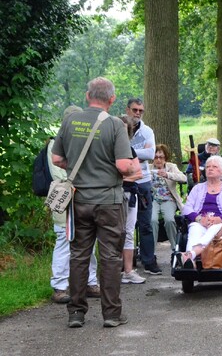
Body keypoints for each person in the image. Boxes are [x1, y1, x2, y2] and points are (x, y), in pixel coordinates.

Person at [52, 77, 139, 328]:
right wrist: (130, 168)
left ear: (87, 95)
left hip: (78, 199)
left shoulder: (70, 120)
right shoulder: (114, 125)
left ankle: (76, 313)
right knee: (110, 257)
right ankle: (111, 314)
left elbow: (57, 158)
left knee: (79, 255)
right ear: (111, 100)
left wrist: (83, 169)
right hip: (109, 202)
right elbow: (123, 165)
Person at [49, 105, 100, 303]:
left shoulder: (84, 143)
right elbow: (59, 174)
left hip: (85, 200)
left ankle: (90, 282)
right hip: (65, 201)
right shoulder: (55, 145)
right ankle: (60, 286)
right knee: (63, 241)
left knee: (89, 240)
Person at [176, 155, 222, 267]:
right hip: (200, 220)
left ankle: (189, 255)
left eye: (214, 166)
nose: (210, 169)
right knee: (194, 230)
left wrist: (220, 218)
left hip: (221, 223)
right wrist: (199, 219)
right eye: (207, 167)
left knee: (213, 231)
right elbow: (187, 207)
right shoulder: (197, 188)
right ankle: (190, 262)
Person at [125, 98, 161, 275]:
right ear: (127, 110)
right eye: (134, 110)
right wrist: (138, 154)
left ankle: (148, 260)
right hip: (124, 182)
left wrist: (127, 152)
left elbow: (150, 154)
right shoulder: (119, 127)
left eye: (141, 110)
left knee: (146, 223)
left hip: (144, 181)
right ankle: (125, 263)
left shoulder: (147, 131)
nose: (137, 113)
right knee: (124, 225)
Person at [118, 115, 146, 285]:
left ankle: (128, 271)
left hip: (129, 196)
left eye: (124, 128)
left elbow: (138, 174)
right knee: (112, 233)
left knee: (128, 232)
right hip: (110, 197)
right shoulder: (105, 149)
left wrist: (120, 179)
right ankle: (113, 271)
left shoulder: (130, 150)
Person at [149, 144, 186, 252]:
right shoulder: (149, 168)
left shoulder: (171, 167)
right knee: (152, 220)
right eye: (156, 157)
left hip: (169, 199)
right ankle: (152, 252)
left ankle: (175, 249)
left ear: (166, 158)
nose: (158, 160)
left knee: (169, 220)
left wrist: (168, 175)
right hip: (153, 200)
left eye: (161, 157)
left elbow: (183, 178)